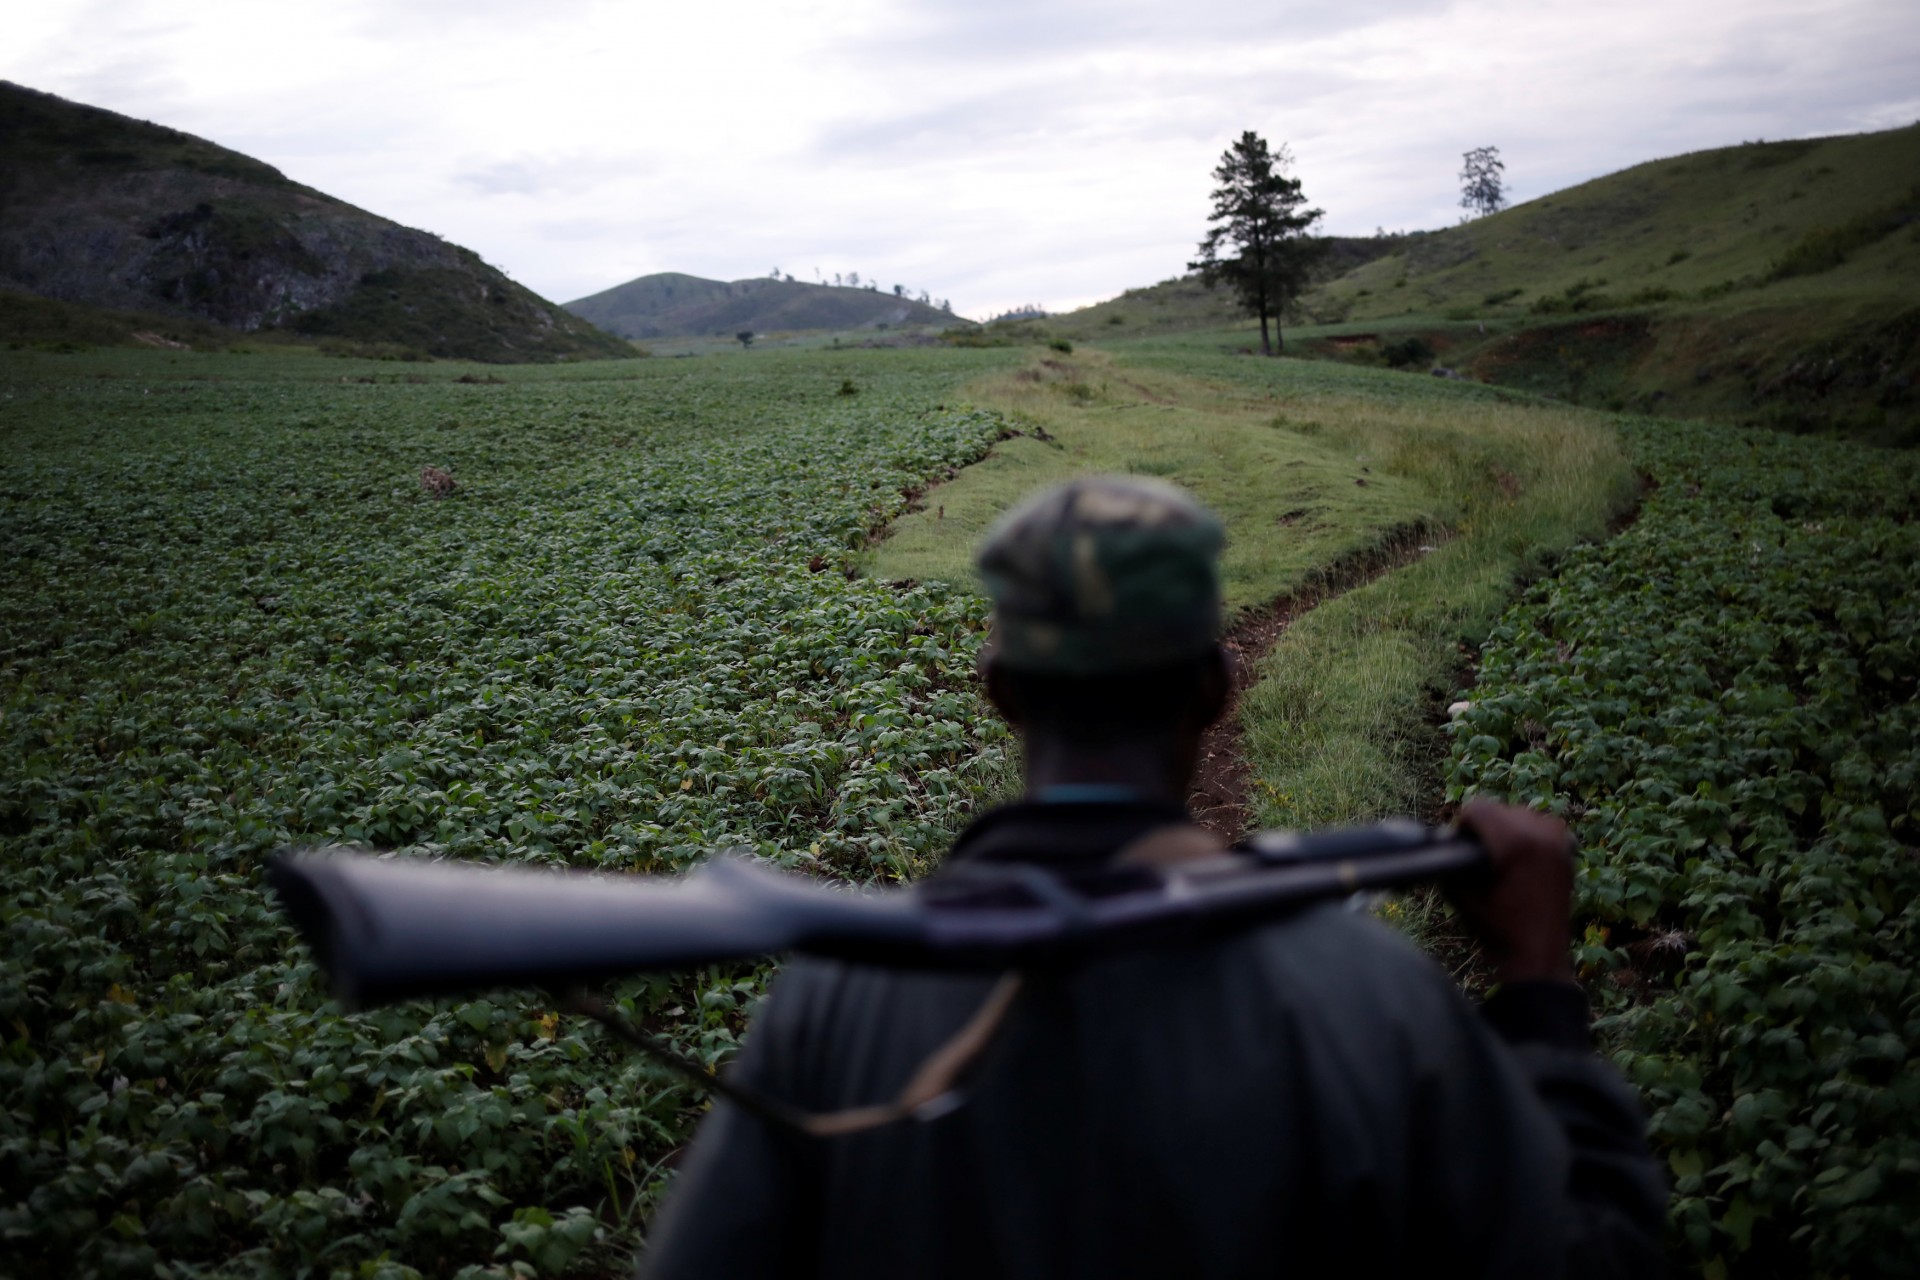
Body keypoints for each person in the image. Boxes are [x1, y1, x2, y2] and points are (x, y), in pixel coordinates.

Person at [641, 476, 1667, 1278]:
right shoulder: (1377, 997)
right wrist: (1535, 980)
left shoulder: (826, 999)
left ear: (999, 693)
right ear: (1217, 687)